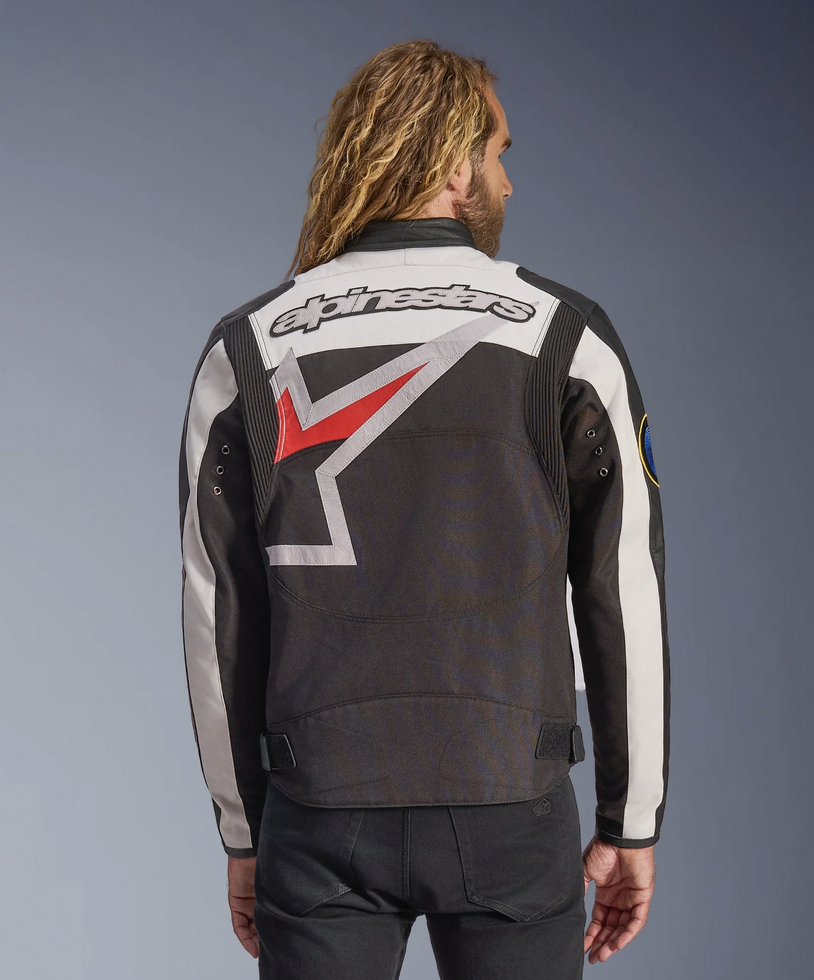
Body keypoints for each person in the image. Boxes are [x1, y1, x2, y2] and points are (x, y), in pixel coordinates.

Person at [178, 39, 670, 980]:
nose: (508, 182)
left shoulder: (246, 347)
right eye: (499, 152)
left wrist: (243, 831)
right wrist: (630, 819)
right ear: (452, 164)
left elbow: (217, 613)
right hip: (510, 803)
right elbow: (623, 588)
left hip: (318, 814)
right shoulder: (564, 337)